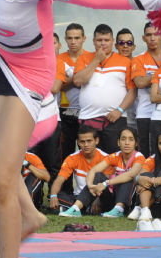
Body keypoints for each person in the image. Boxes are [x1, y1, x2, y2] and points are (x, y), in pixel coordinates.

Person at [73, 24, 135, 153]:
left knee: (114, 159)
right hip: (88, 118)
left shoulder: (125, 61)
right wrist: (96, 60)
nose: (103, 44)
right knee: (89, 161)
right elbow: (78, 81)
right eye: (99, 40)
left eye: (106, 40)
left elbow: (133, 90)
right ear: (93, 41)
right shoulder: (83, 58)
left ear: (113, 42)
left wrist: (119, 110)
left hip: (115, 119)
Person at [85, 126, 145, 218]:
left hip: (131, 200)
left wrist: (106, 183)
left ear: (136, 143)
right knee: (98, 175)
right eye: (123, 139)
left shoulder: (139, 156)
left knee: (127, 178)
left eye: (131, 140)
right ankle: (76, 208)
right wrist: (90, 185)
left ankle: (119, 209)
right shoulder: (114, 156)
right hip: (114, 198)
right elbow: (93, 170)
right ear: (118, 142)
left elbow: (131, 174)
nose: (127, 143)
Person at [54, 23, 93, 160]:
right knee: (66, 153)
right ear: (65, 39)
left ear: (84, 39)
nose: (73, 42)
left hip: (88, 111)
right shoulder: (58, 59)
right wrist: (78, 79)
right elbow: (56, 85)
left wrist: (69, 78)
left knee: (88, 153)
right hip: (65, 111)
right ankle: (65, 182)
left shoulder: (92, 58)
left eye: (77, 38)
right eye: (70, 38)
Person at [50, 125, 107, 215]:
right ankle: (84, 208)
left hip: (98, 196)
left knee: (99, 177)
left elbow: (108, 184)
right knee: (53, 194)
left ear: (96, 141)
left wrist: (98, 199)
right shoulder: (72, 158)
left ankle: (70, 208)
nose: (86, 145)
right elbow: (59, 180)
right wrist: (53, 196)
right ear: (78, 142)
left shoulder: (106, 158)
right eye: (82, 142)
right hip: (78, 197)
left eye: (89, 141)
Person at [128, 22, 161, 157]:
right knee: (145, 154)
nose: (153, 38)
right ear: (144, 38)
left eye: (156, 34)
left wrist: (152, 76)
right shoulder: (138, 59)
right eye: (149, 35)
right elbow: (140, 83)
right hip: (145, 113)